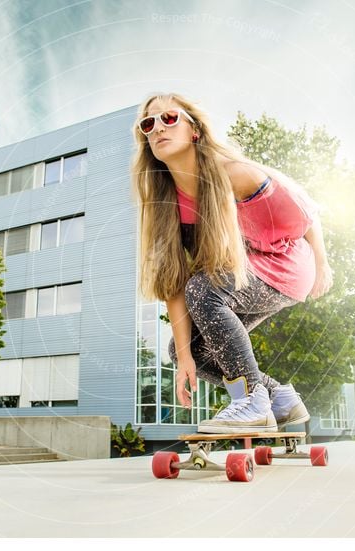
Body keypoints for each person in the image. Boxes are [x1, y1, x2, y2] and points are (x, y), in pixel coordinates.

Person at [131, 92, 333, 434]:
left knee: (204, 288)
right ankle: (280, 399)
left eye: (170, 118)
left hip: (288, 263)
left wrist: (323, 264)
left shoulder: (234, 173)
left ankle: (251, 401)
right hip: (246, 273)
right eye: (149, 124)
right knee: (190, 350)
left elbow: (302, 211)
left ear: (194, 130)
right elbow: (174, 282)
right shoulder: (166, 203)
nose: (159, 128)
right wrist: (183, 362)